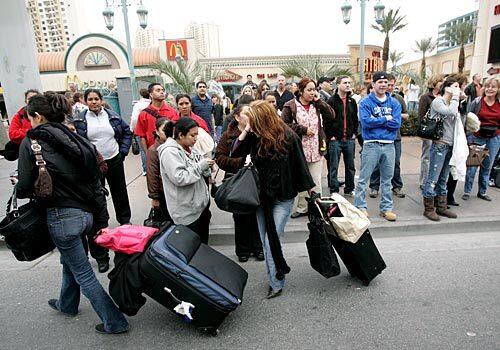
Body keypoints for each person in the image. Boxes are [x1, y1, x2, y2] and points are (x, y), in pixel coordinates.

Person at [16, 92, 129, 334]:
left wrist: (23, 182)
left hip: (62, 217)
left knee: (84, 273)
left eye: (29, 117)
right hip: (86, 215)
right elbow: (96, 179)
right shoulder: (77, 138)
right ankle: (67, 304)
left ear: (37, 116)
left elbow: (24, 187)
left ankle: (115, 321)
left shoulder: (32, 142)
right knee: (70, 260)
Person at [231, 101, 315, 299]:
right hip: (262, 199)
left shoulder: (288, 136)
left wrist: (312, 193)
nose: (249, 120)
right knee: (265, 240)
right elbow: (235, 152)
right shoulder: (254, 136)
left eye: (253, 117)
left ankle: (276, 282)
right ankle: (274, 276)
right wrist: (246, 131)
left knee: (271, 241)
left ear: (263, 118)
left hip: (283, 197)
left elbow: (300, 166)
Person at [74, 89, 133, 272]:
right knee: (97, 197)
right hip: (94, 164)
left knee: (119, 192)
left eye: (96, 99)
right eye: (90, 99)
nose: (94, 102)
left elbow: (127, 133)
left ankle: (125, 222)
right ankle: (102, 229)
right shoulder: (81, 120)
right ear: (85, 101)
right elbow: (78, 141)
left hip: (114, 158)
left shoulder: (113, 116)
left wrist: (123, 152)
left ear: (101, 100)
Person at [215, 104, 264, 262]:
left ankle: (258, 247)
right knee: (240, 215)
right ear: (237, 117)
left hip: (257, 180)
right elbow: (220, 159)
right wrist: (241, 162)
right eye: (246, 113)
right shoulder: (228, 136)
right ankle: (242, 250)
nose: (250, 116)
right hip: (237, 180)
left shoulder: (260, 132)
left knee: (257, 214)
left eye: (252, 112)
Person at [282, 77, 335, 218]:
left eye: (314, 89)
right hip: (299, 149)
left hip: (316, 147)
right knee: (302, 179)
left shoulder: (316, 104)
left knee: (316, 179)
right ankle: (302, 208)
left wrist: (319, 101)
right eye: (309, 90)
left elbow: (331, 115)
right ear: (301, 91)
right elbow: (284, 125)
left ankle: (317, 207)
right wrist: (303, 129)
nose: (312, 93)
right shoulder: (290, 105)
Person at [354, 71, 402, 221]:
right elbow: (366, 123)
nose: (383, 85)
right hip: (371, 145)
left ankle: (386, 209)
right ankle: (360, 207)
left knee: (387, 179)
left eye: (385, 83)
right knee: (364, 178)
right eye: (379, 82)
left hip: (389, 145)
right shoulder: (365, 102)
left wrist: (378, 120)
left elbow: (396, 124)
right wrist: (386, 118)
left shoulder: (394, 103)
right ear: (373, 85)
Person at [158, 117, 213, 244]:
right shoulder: (169, 152)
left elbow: (199, 169)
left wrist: (207, 169)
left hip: (199, 208)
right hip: (186, 212)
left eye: (196, 135)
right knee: (191, 248)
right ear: (181, 135)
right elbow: (180, 177)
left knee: (202, 245)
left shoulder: (191, 149)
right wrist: (201, 166)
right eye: (192, 135)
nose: (195, 138)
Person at [421, 78, 462, 221]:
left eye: (459, 87)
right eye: (455, 86)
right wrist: (456, 97)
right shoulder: (438, 102)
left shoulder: (454, 103)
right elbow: (450, 112)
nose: (458, 89)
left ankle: (442, 207)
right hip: (440, 144)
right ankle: (429, 208)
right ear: (447, 88)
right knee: (433, 177)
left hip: (450, 145)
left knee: (444, 178)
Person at [369, 74, 409, 199]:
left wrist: (394, 117)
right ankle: (374, 187)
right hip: (377, 137)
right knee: (376, 163)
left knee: (395, 163)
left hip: (394, 137)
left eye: (391, 84)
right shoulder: (372, 100)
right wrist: (387, 118)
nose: (388, 86)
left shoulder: (398, 99)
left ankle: (397, 186)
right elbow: (369, 120)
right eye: (386, 83)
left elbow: (404, 117)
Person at [463, 77, 500, 202]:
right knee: (473, 165)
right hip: (478, 137)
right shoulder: (477, 102)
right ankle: (467, 191)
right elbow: (468, 118)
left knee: (487, 166)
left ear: (498, 89)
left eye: (493, 86)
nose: (490, 89)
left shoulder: (499, 103)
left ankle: (482, 192)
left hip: (494, 138)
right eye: (487, 86)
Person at [325, 75, 358, 196]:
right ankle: (334, 190)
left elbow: (355, 118)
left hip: (349, 139)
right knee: (333, 166)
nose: (348, 85)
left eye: (349, 83)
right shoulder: (331, 101)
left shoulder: (352, 101)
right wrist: (330, 136)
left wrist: (354, 133)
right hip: (335, 140)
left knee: (350, 166)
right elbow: (327, 120)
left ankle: (349, 189)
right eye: (345, 82)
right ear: (338, 85)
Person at [418, 74, 445, 189]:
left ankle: (433, 180)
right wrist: (423, 131)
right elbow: (421, 114)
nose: (443, 84)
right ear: (434, 84)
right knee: (427, 156)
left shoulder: (444, 97)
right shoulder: (426, 97)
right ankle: (424, 181)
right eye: (441, 82)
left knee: (437, 157)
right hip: (429, 131)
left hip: (440, 131)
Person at [135, 83, 177, 153]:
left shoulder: (172, 112)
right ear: (151, 94)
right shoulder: (143, 114)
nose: (161, 92)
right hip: (153, 151)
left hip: (170, 151)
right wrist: (147, 153)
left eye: (162, 90)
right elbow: (142, 136)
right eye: (158, 90)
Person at [146, 118, 171, 222]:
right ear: (156, 131)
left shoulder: (175, 146)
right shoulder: (153, 150)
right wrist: (155, 197)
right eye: (163, 130)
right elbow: (152, 175)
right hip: (162, 193)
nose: (167, 133)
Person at [130, 88, 151, 176]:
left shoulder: (138, 105)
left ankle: (146, 169)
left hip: (141, 130)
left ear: (141, 95)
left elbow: (134, 119)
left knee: (143, 149)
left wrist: (133, 129)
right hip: (151, 130)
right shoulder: (152, 103)